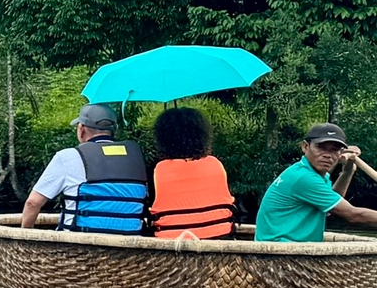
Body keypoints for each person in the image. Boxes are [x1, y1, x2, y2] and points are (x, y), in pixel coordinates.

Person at [20, 104, 148, 232]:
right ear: (115, 131)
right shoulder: (136, 158)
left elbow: (33, 203)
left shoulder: (67, 157)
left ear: (81, 129)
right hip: (130, 241)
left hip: (78, 243)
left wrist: (26, 235)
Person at [253, 123, 377, 243]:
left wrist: (347, 172)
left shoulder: (315, 175)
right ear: (305, 147)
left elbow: (329, 208)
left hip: (294, 249)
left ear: (341, 153)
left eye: (334, 150)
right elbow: (353, 215)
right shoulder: (304, 178)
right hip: (280, 252)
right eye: (321, 147)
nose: (328, 155)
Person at [147, 106, 236, 239]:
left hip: (172, 242)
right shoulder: (215, 164)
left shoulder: (159, 170)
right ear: (202, 135)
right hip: (220, 237)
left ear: (163, 138)